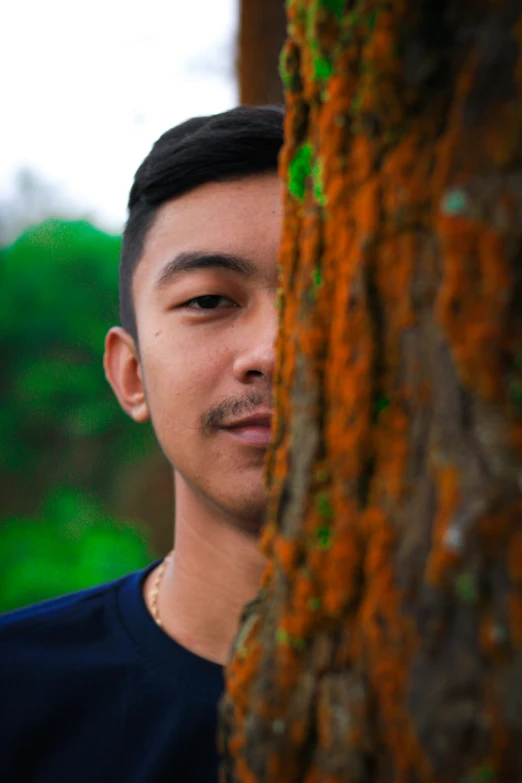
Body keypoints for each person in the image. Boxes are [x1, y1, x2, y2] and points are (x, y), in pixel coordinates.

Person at [0, 105, 284, 782]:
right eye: (209, 300)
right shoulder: (16, 694)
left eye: (328, 293)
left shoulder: (492, 682)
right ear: (131, 376)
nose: (274, 351)